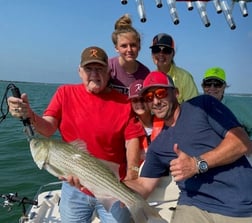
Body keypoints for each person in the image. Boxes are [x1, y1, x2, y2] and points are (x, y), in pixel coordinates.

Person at [7, 46, 145, 223]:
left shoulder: (124, 103)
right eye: (89, 68)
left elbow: (132, 140)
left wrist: (132, 175)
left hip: (112, 185)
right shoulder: (65, 93)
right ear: (79, 71)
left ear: (109, 72)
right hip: (74, 189)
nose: (94, 73)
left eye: (99, 68)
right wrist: (30, 115)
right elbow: (48, 128)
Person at [123, 71, 252, 223]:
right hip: (193, 206)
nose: (156, 101)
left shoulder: (203, 105)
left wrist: (196, 164)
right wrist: (104, 185)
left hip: (239, 206)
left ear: (176, 93)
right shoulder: (158, 146)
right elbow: (143, 185)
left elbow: (241, 142)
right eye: (149, 98)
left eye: (161, 93)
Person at [201, 66, 252, 140]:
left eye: (217, 84)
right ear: (203, 86)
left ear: (224, 86)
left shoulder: (238, 107)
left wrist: (246, 145)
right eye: (208, 84)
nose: (212, 88)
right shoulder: (196, 107)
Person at [150, 33, 198, 103]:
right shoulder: (149, 78)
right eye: (156, 50)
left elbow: (194, 107)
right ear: (152, 54)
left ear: (173, 54)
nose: (161, 54)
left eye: (166, 50)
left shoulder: (185, 77)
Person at [109, 14, 150, 95]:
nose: (129, 50)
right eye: (124, 46)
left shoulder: (145, 73)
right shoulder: (109, 67)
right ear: (116, 48)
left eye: (133, 45)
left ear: (139, 47)